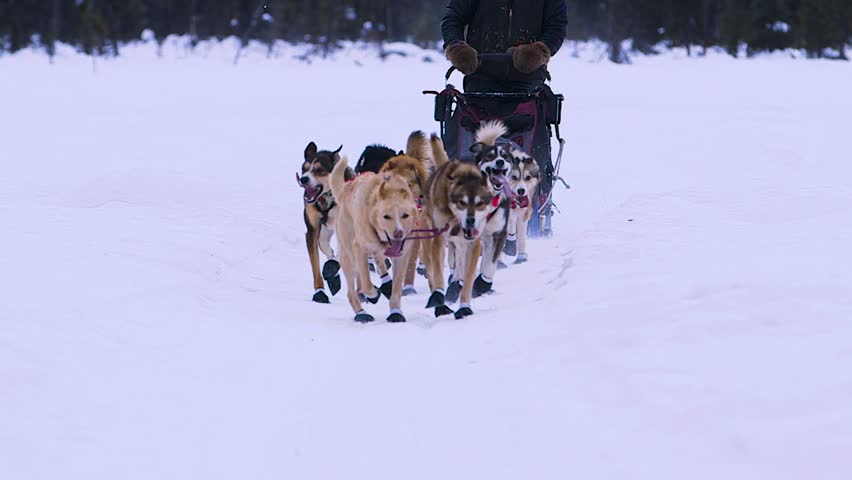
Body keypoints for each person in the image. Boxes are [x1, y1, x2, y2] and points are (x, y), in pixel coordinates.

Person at [441, 0, 568, 93]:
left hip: (529, 76)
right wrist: (456, 48)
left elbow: (556, 27)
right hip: (480, 74)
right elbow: (453, 19)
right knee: (474, 126)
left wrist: (539, 51)